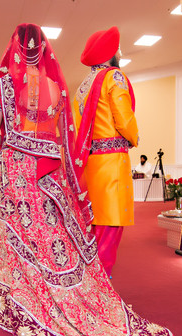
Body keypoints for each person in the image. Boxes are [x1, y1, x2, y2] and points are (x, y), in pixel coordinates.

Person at [0, 23, 177, 336]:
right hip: (49, 170)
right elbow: (61, 134)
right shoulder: (57, 86)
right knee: (49, 232)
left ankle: (11, 296)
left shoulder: (4, 84)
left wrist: (12, 138)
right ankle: (86, 294)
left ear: (15, 50)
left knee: (16, 231)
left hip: (18, 167)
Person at [72, 26, 139, 277]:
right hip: (112, 164)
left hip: (92, 165)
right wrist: (134, 137)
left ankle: (90, 283)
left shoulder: (84, 85)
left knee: (95, 228)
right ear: (112, 53)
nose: (120, 52)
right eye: (118, 48)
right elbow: (123, 117)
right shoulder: (114, 77)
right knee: (111, 228)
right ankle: (101, 290)